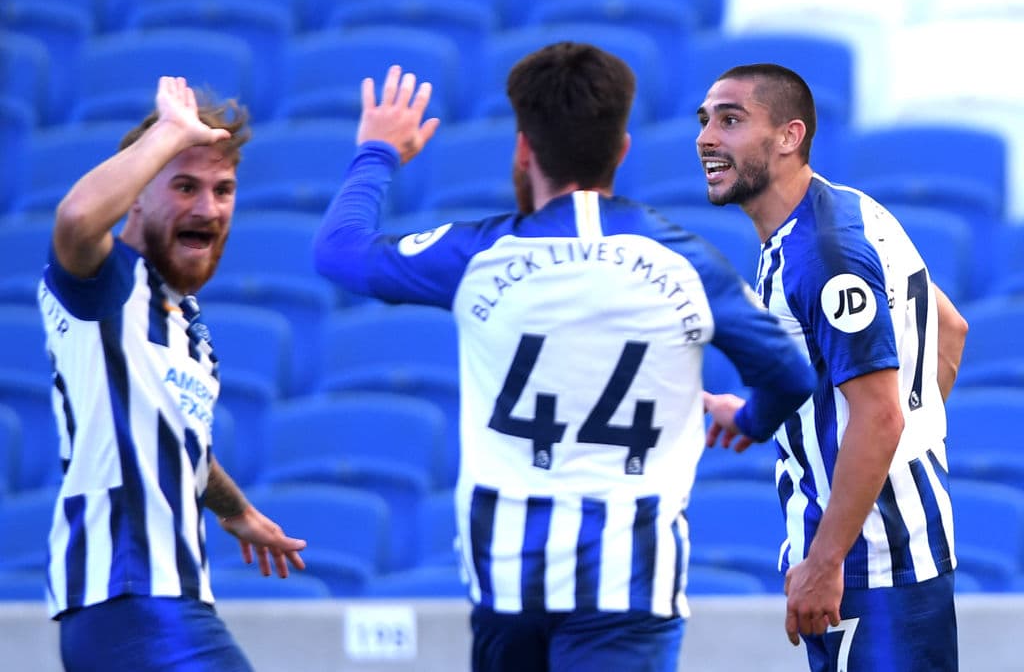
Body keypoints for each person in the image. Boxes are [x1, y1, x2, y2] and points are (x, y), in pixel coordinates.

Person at [313, 44, 816, 671]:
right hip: (632, 584)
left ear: (524, 149)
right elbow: (792, 375)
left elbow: (338, 252)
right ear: (622, 149)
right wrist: (746, 420)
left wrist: (378, 152)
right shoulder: (684, 262)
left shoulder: (478, 255)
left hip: (506, 580)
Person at [697, 63, 969, 672]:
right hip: (891, 549)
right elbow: (949, 331)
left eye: (731, 119)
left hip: (870, 566)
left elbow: (878, 416)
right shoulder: (851, 213)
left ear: (790, 136)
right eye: (706, 119)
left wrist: (824, 562)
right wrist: (749, 415)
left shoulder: (822, 254)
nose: (707, 137)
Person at [38, 76, 308, 671]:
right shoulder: (107, 285)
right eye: (184, 186)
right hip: (131, 598)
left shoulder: (186, 324)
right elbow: (77, 220)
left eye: (223, 189)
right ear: (136, 194)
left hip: (159, 603)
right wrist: (167, 134)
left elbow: (176, 442)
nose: (208, 208)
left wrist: (234, 509)